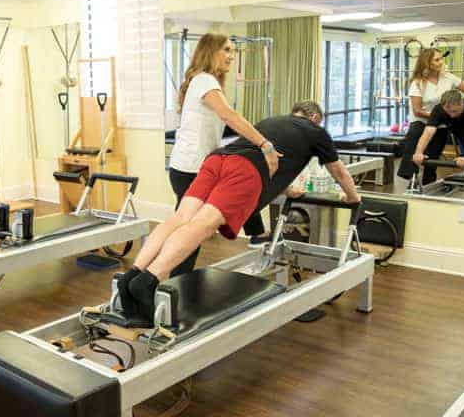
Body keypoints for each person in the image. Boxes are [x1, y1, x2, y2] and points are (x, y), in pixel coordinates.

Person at [118, 101, 361, 324]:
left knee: (180, 217)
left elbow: (267, 159)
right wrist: (353, 197)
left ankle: (132, 275)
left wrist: (286, 189)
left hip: (218, 159)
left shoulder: (272, 121)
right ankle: (149, 280)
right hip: (243, 170)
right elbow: (339, 173)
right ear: (315, 117)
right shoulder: (316, 132)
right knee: (202, 225)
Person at [168, 33, 281, 276]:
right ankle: (171, 286)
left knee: (191, 230)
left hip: (190, 166)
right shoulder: (205, 80)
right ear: (211, 52)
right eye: (226, 50)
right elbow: (229, 115)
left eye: (233, 51)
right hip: (190, 169)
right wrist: (265, 144)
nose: (231, 56)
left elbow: (223, 120)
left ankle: (256, 233)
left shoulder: (203, 81)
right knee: (189, 236)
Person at [398, 49, 464, 185]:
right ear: (427, 63)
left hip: (442, 123)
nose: (441, 62)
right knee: (414, 139)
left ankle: (428, 184)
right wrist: (437, 116)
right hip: (422, 120)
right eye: (437, 60)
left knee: (433, 156)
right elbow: (417, 111)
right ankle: (409, 177)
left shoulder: (448, 77)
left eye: (441, 58)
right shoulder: (418, 83)